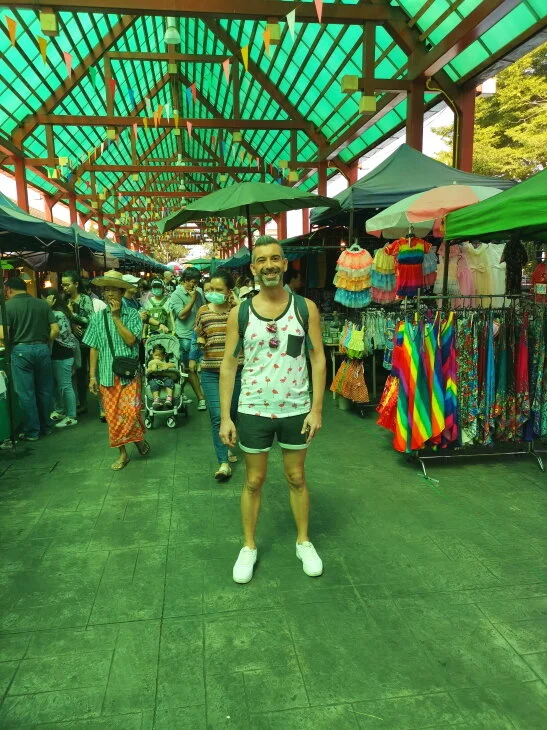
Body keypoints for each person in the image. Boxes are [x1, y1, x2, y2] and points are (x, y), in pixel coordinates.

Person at [219, 236, 326, 584]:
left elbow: (318, 358)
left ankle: (303, 542)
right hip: (253, 409)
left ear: (284, 264)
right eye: (262, 260)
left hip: (296, 408)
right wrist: (226, 416)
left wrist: (316, 409)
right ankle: (248, 546)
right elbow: (228, 365)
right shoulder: (240, 313)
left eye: (275, 258)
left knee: (296, 477)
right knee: (253, 480)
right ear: (253, 268)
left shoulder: (305, 308)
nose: (269, 265)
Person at [82, 270, 149, 470]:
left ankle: (137, 438)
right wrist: (92, 376)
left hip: (129, 374)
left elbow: (131, 340)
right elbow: (93, 348)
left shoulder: (133, 315)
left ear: (121, 292)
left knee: (131, 412)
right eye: (106, 290)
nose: (110, 294)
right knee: (113, 417)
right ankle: (123, 453)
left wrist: (116, 317)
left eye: (114, 290)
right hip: (106, 375)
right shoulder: (96, 318)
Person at [194, 270, 241, 481]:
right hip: (211, 372)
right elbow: (199, 334)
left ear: (229, 291)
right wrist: (198, 346)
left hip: (237, 372)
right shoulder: (203, 311)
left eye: (218, 289)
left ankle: (227, 443)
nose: (212, 292)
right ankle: (223, 463)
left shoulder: (238, 311)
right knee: (217, 416)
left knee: (232, 413)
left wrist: (238, 304)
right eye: (211, 289)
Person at [0, 277, 59, 441]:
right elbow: (55, 329)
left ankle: (32, 431)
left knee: (26, 393)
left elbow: (3, 334)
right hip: (42, 349)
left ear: (9, 290)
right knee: (45, 390)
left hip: (21, 351)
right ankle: (46, 426)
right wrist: (45, 342)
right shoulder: (42, 304)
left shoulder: (7, 307)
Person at [169, 267, 207, 410]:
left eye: (197, 282)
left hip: (199, 335)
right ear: (185, 281)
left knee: (198, 367)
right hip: (184, 336)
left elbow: (203, 310)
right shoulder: (176, 295)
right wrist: (192, 299)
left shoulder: (200, 291)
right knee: (189, 369)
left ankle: (179, 392)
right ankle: (200, 398)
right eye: (192, 282)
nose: (194, 285)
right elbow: (182, 315)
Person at [42, 288, 80, 429]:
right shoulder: (56, 312)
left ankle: (71, 416)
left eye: (43, 299)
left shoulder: (58, 314)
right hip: (57, 354)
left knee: (65, 385)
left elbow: (57, 333)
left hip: (62, 354)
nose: (41, 302)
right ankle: (60, 411)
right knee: (56, 385)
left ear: (51, 299)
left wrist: (47, 308)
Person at [61, 271, 95, 415]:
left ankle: (84, 402)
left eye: (67, 285)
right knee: (72, 374)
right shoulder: (63, 299)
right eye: (62, 285)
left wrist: (72, 315)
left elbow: (90, 319)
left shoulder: (85, 299)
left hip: (85, 341)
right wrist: (72, 325)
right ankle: (75, 402)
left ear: (76, 284)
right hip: (68, 342)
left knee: (83, 373)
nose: (65, 288)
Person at [146, 343, 178, 409]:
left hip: (165, 377)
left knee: (169, 381)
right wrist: (150, 370)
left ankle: (169, 397)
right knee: (153, 383)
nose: (157, 357)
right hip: (155, 379)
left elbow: (173, 365)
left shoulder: (165, 361)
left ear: (163, 356)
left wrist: (167, 365)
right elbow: (147, 371)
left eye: (160, 356)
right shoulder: (151, 362)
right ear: (152, 354)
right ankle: (156, 399)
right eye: (156, 355)